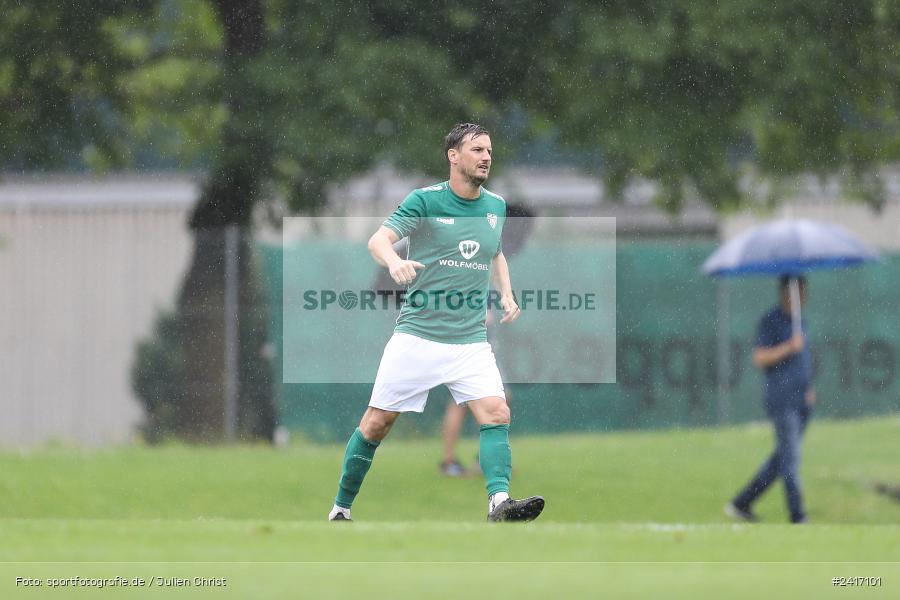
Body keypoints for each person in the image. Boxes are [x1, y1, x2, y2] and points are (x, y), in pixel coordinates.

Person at [328, 123, 545, 522]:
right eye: (477, 150)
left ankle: (499, 503)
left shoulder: (494, 207)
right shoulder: (424, 201)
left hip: (469, 341)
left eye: (489, 151)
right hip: (418, 337)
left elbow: (495, 253)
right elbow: (378, 240)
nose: (485, 157)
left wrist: (507, 294)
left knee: (496, 412)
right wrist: (394, 262)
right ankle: (340, 509)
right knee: (376, 424)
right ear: (453, 156)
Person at [726, 275, 815, 524]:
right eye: (800, 292)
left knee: (783, 458)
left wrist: (808, 387)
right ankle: (797, 515)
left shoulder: (802, 323)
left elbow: (803, 361)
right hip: (782, 399)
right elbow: (760, 357)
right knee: (791, 459)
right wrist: (789, 347)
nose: (805, 297)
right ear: (788, 294)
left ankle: (742, 502)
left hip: (801, 401)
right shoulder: (770, 321)